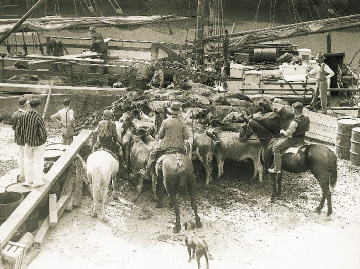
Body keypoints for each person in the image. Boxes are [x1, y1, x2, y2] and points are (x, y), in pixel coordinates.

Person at [140, 101, 190, 179]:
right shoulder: (183, 122)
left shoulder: (165, 122)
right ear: (179, 111)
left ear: (171, 111)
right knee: (188, 157)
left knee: (152, 154)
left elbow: (160, 135)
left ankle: (147, 172)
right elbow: (187, 137)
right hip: (180, 147)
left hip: (166, 146)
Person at [268, 102, 310, 174]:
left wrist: (282, 131)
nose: (292, 111)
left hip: (293, 139)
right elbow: (307, 129)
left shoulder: (294, 122)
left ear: (295, 110)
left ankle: (277, 169)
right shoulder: (307, 119)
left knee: (275, 147)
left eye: (293, 109)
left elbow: (287, 134)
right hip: (302, 138)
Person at [22, 98, 47, 187]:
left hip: (27, 143)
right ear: (38, 106)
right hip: (38, 144)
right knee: (38, 162)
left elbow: (22, 129)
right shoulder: (38, 117)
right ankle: (37, 181)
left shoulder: (24, 115)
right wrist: (44, 141)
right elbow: (42, 132)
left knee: (28, 162)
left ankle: (28, 181)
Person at [11, 97, 28, 182]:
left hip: (18, 138)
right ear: (26, 105)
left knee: (21, 156)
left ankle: (22, 174)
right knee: (28, 157)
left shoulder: (14, 114)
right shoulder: (26, 115)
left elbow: (13, 127)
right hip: (27, 139)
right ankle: (27, 175)